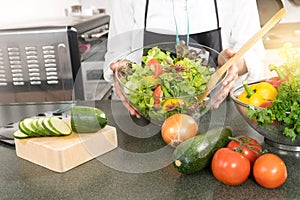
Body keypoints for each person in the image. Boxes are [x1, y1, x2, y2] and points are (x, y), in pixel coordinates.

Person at [103, 0, 266, 118]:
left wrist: (232, 63)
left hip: (217, 114)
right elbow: (118, 51)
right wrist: (122, 70)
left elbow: (253, 53)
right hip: (147, 115)